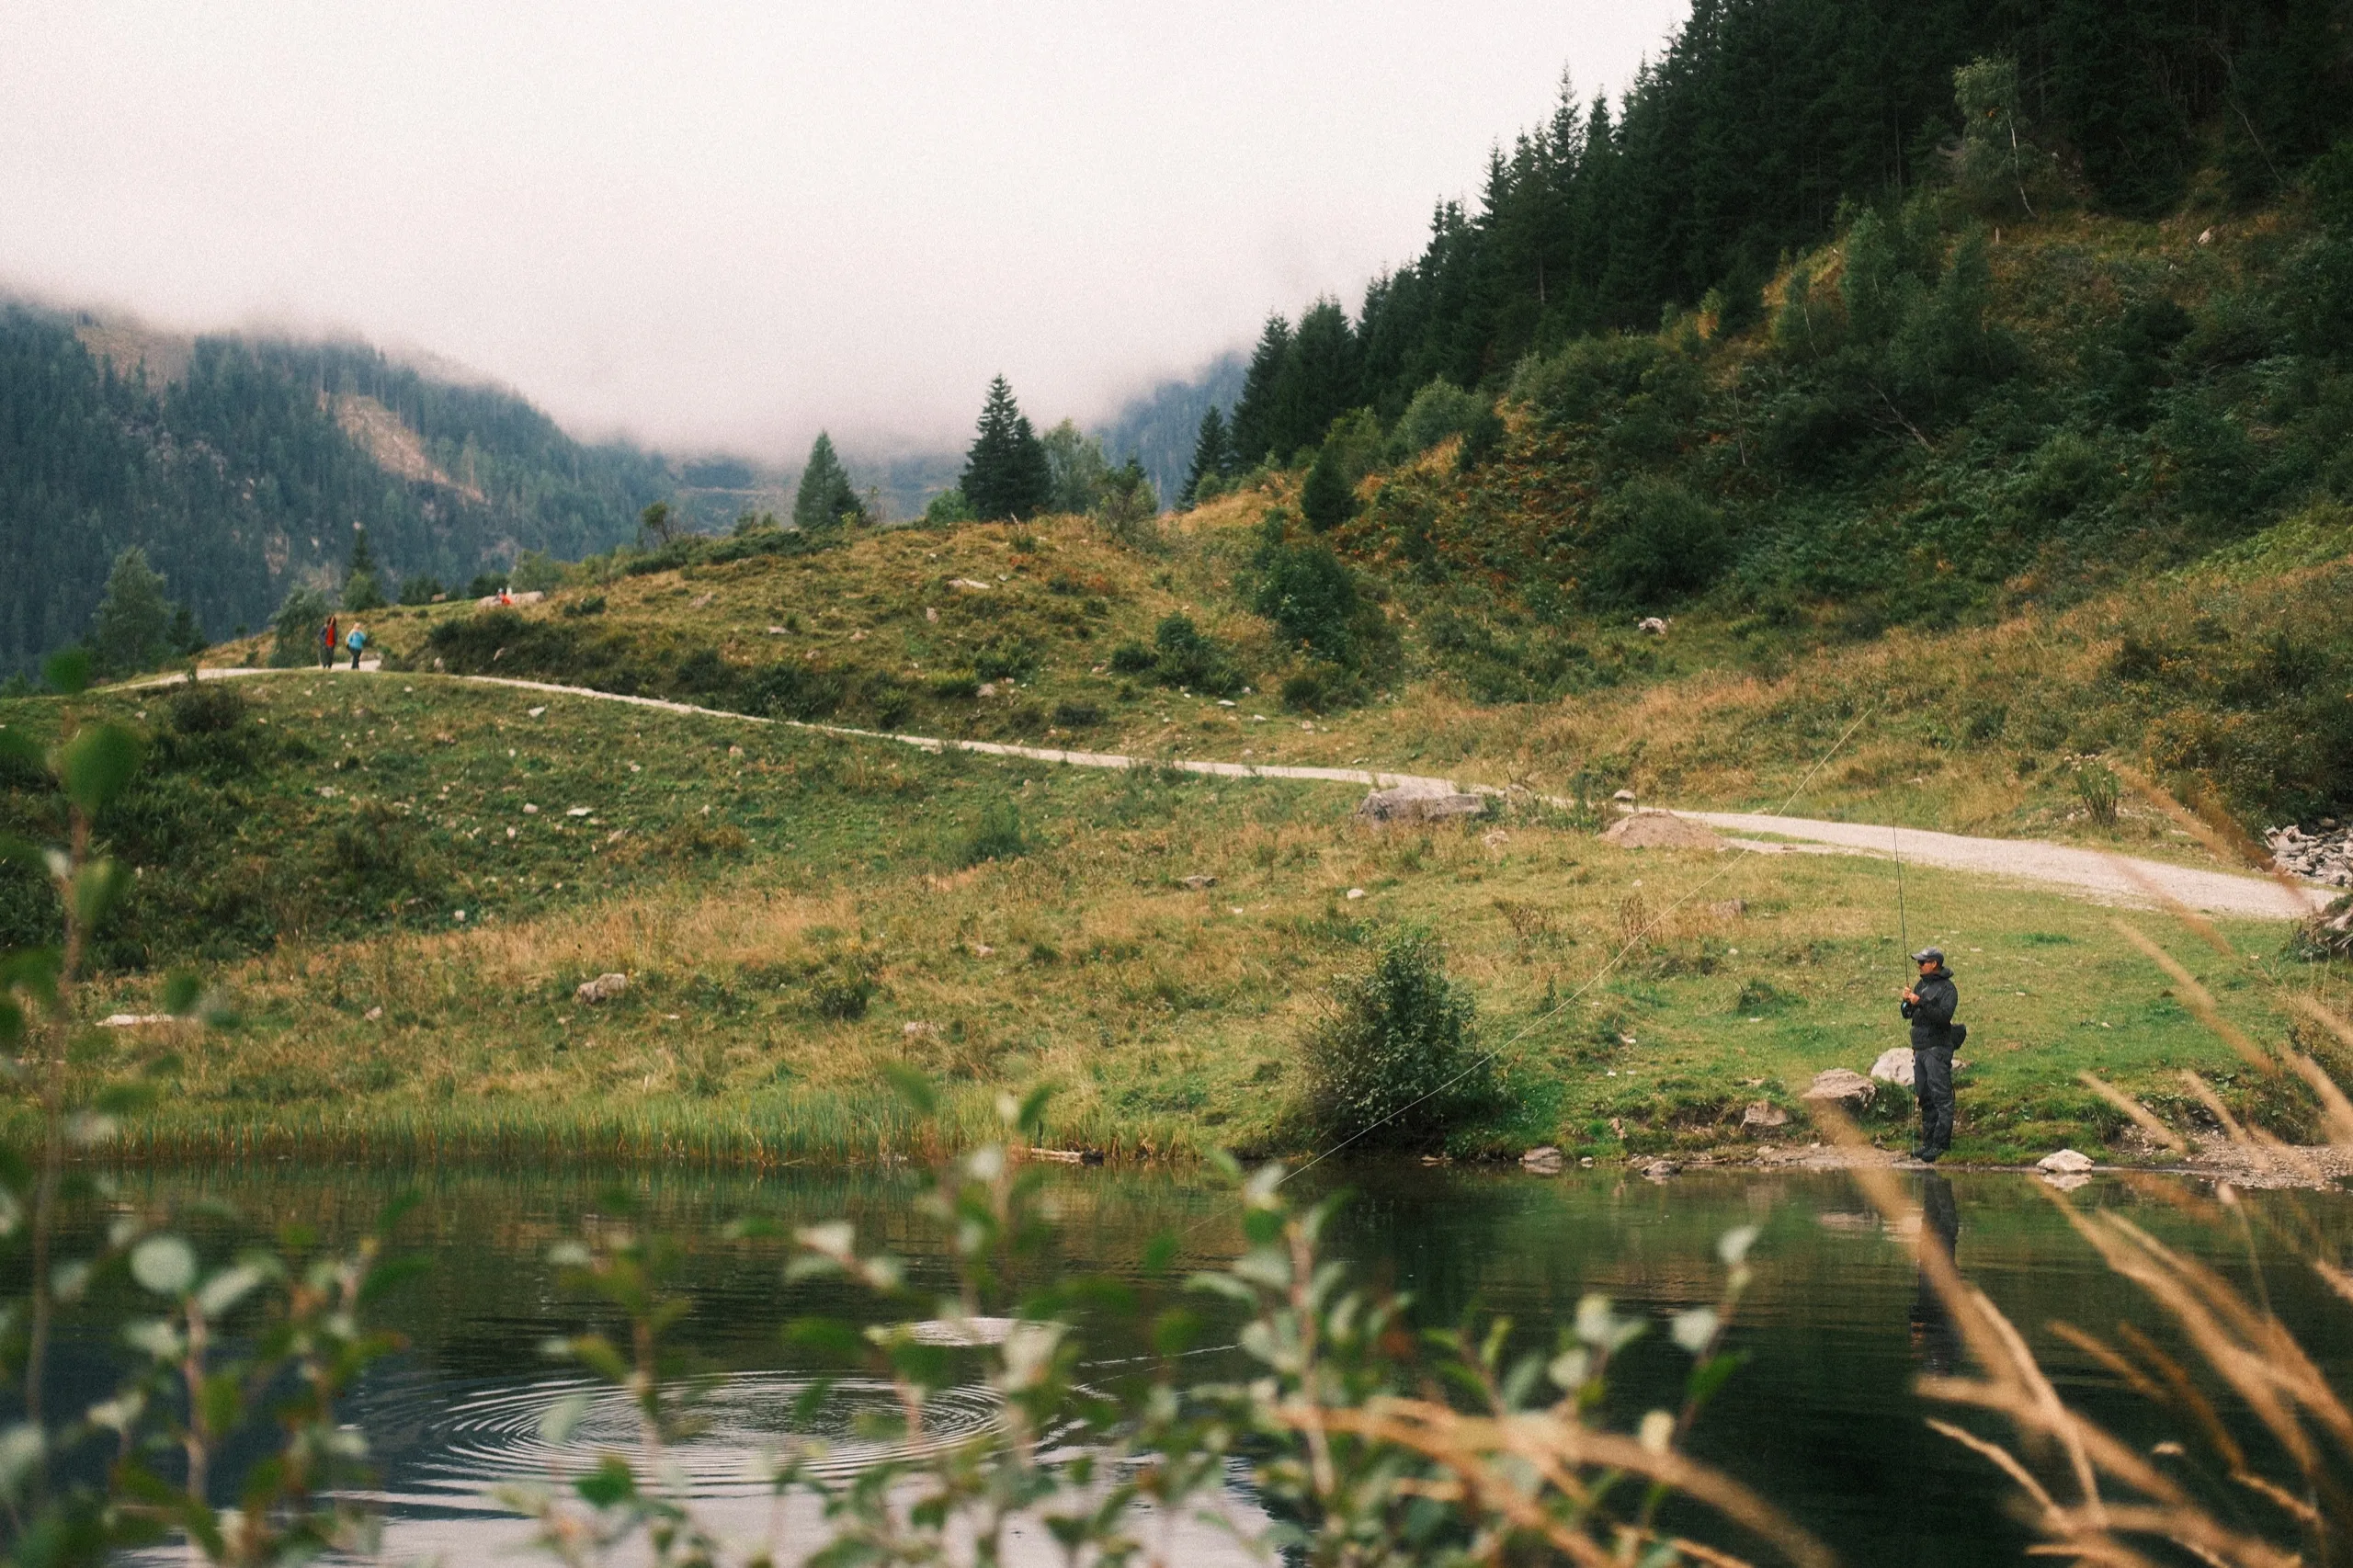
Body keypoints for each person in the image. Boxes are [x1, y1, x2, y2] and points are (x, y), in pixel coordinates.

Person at [1899, 948, 1961, 1162]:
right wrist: (1906, 1002)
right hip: (1921, 1049)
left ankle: (1941, 1144)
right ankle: (1928, 1143)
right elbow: (1908, 1015)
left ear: (1934, 963)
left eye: (1922, 962)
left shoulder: (1947, 989)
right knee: (1925, 1097)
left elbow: (1943, 1016)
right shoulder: (1921, 985)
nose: (1919, 966)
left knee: (1941, 1097)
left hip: (1937, 1050)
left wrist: (1920, 1002)